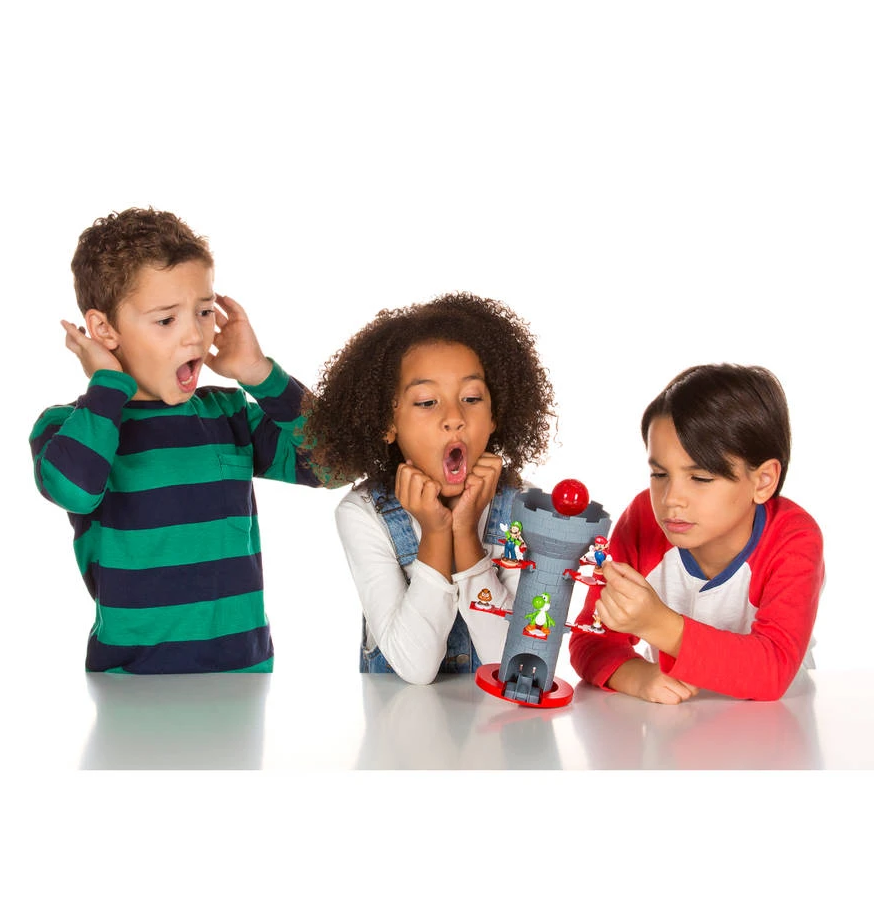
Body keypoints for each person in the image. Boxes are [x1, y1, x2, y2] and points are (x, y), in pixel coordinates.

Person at [29, 207, 334, 674]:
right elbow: (75, 489)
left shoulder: (229, 414)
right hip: (131, 685)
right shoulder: (68, 426)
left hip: (241, 678)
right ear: (104, 330)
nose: (195, 335)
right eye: (166, 320)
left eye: (204, 312)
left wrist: (260, 374)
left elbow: (334, 465)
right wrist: (106, 386)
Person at [303, 293, 557, 685]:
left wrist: (466, 534)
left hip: (496, 723)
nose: (454, 417)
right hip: (402, 723)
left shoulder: (527, 509)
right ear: (387, 424)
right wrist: (437, 533)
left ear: (494, 416)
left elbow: (514, 663)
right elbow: (415, 667)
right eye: (426, 402)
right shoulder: (363, 514)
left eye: (471, 398)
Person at [569, 363, 824, 703]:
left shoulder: (794, 539)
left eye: (700, 478)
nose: (671, 499)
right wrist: (635, 675)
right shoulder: (644, 519)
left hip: (779, 717)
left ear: (763, 481)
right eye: (660, 475)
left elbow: (774, 668)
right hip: (674, 715)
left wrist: (658, 624)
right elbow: (590, 636)